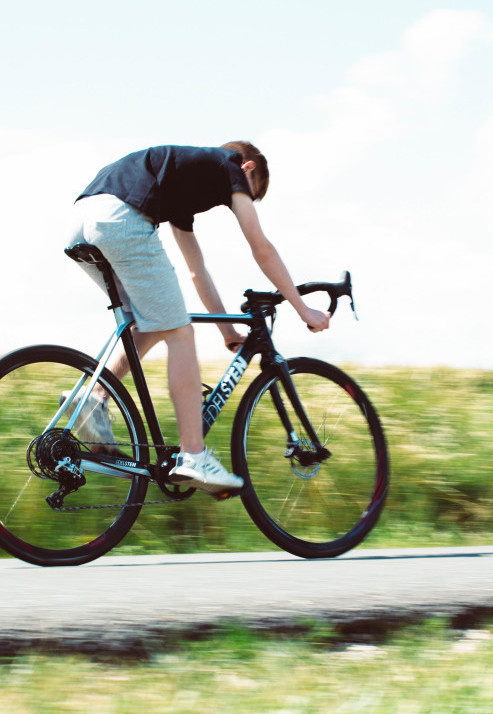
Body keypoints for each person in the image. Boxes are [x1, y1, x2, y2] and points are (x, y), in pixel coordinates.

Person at [64, 142, 330, 496]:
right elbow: (259, 245)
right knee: (180, 333)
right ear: (248, 168)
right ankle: (193, 455)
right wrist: (303, 309)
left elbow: (196, 270)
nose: (246, 201)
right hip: (119, 220)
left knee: (151, 321)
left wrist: (226, 331)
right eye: (254, 193)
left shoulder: (181, 185)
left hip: (82, 220)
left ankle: (90, 400)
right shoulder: (230, 164)